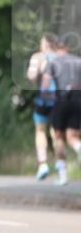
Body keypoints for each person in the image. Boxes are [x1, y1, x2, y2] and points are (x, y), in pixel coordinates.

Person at [46, 36, 81, 186]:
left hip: (61, 100)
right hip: (78, 100)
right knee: (72, 136)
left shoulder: (53, 62)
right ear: (67, 48)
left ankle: (62, 174)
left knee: (58, 136)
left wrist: (48, 99)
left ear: (55, 49)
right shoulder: (78, 61)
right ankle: (79, 147)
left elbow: (46, 83)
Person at [26, 33, 58, 180]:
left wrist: (38, 70)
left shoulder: (38, 57)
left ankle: (43, 164)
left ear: (45, 44)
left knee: (40, 130)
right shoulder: (62, 57)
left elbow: (31, 76)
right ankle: (60, 164)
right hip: (60, 98)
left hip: (43, 98)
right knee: (56, 132)